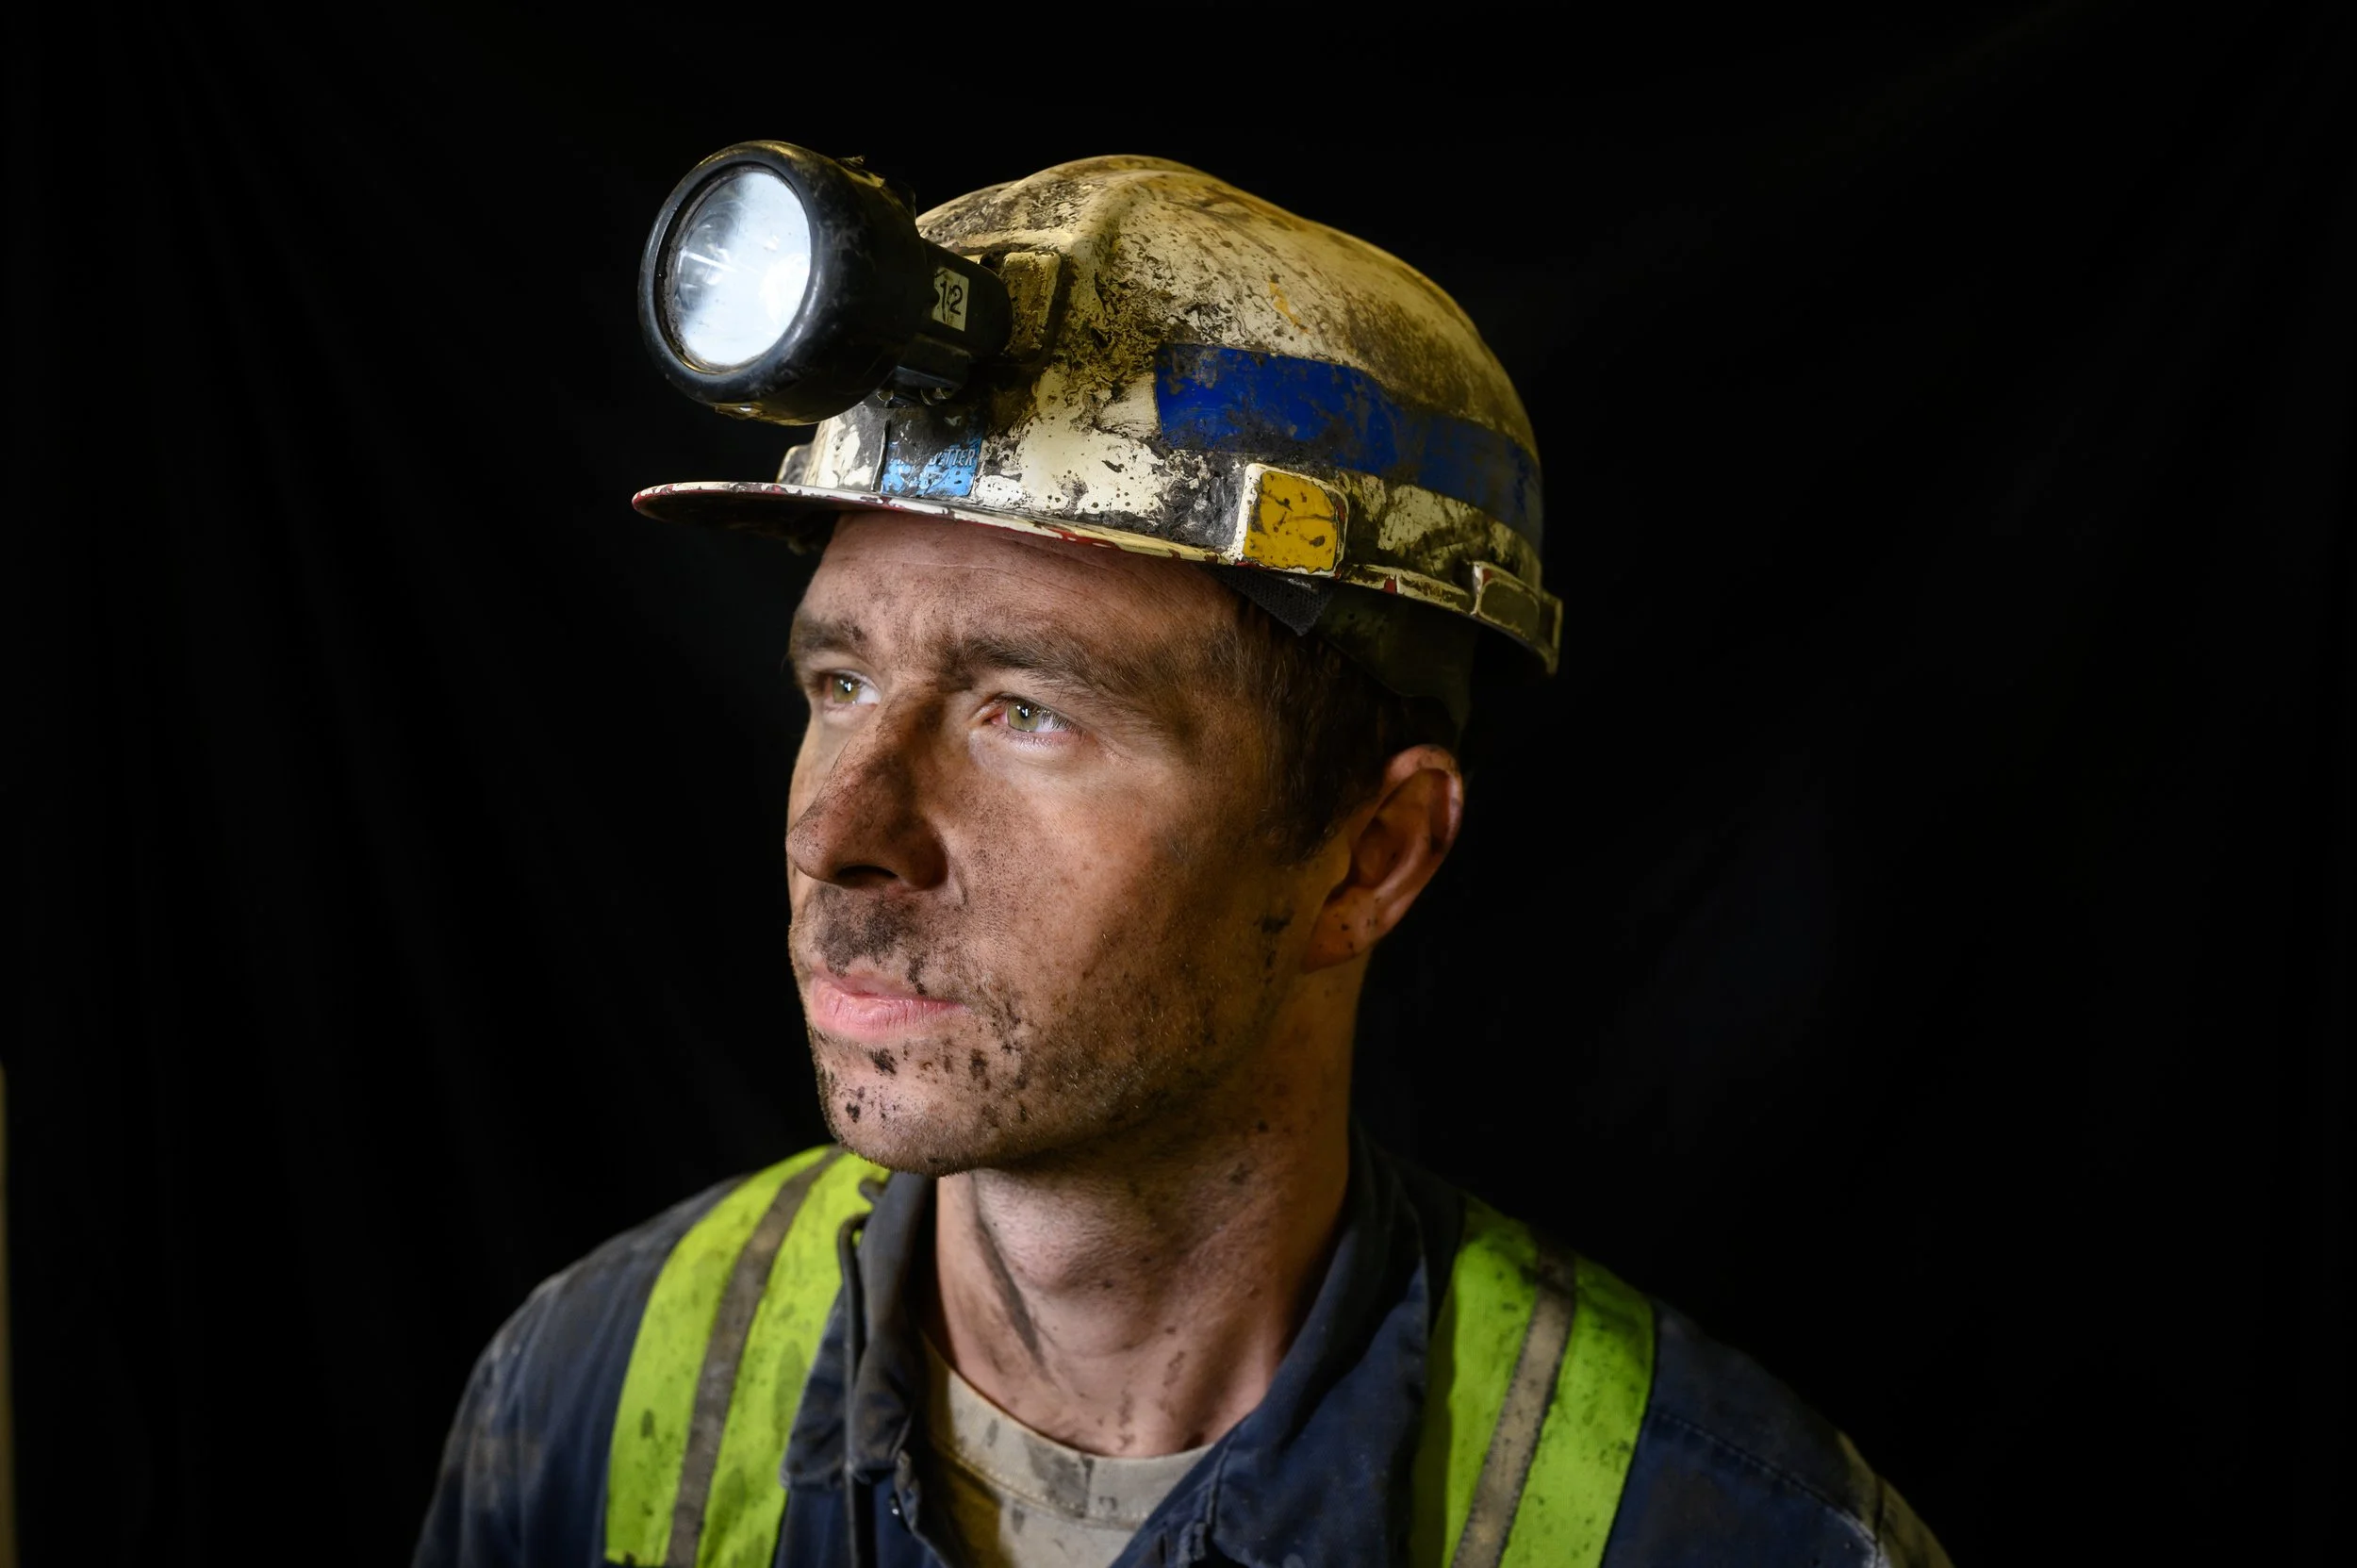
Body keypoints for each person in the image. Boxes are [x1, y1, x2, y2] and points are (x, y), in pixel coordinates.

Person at [415, 151, 1951, 1568]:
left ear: (1372, 856)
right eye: (843, 683)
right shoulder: (590, 1390)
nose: (839, 835)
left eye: (1027, 712)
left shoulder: (1729, 1533)